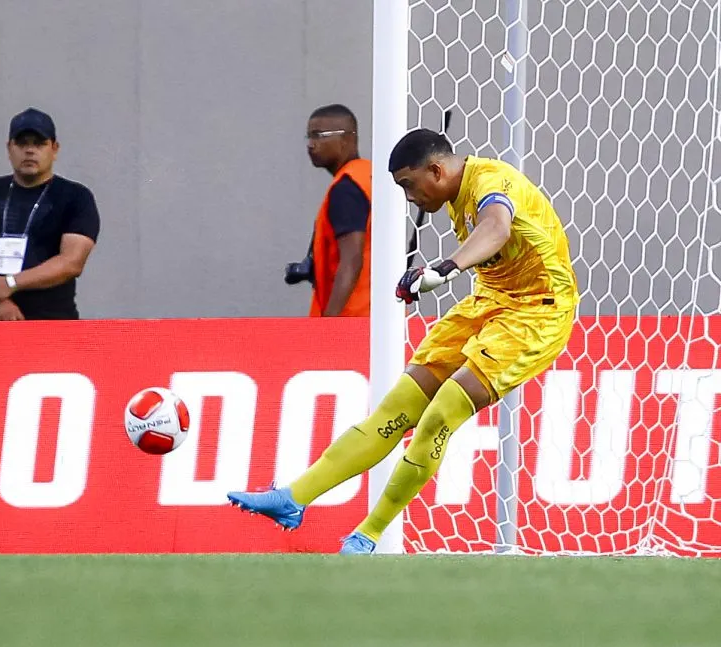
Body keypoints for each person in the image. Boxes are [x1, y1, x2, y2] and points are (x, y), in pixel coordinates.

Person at [229, 128, 579, 554]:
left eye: (409, 185)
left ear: (436, 170)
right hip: (489, 302)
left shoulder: (491, 180)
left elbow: (497, 228)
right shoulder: (455, 194)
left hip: (537, 312)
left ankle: (369, 534)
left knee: (441, 412)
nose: (409, 197)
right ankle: (293, 497)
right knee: (397, 408)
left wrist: (444, 268)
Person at [0, 108, 100, 321]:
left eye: (39, 143)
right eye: (22, 143)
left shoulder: (75, 196)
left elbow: (71, 261)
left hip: (52, 323)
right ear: (9, 148)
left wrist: (10, 283)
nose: (30, 151)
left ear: (54, 149)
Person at [284, 104, 372, 316]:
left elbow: (352, 259)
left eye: (319, 136)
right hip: (378, 316)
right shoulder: (369, 177)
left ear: (347, 138)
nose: (311, 145)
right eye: (309, 137)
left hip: (354, 323)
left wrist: (328, 328)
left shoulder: (347, 188)